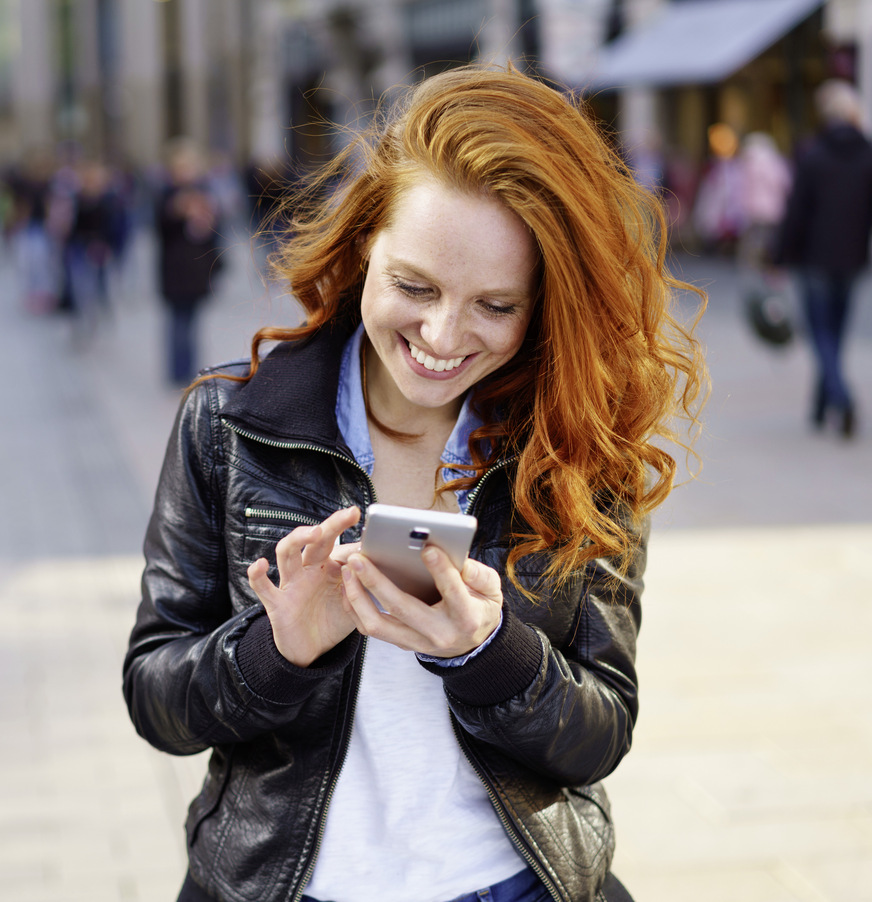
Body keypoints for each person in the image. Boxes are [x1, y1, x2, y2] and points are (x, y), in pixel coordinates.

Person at [122, 64, 707, 902]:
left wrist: (488, 653)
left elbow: (600, 731)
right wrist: (277, 649)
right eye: (413, 286)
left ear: (543, 303)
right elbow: (155, 694)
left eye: (495, 307)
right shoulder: (228, 424)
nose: (441, 335)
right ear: (366, 246)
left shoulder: (580, 445)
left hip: (513, 884)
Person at [776, 79, 872, 438]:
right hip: (852, 259)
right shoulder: (867, 155)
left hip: (814, 259)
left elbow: (796, 212)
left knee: (822, 336)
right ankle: (821, 406)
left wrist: (779, 255)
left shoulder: (812, 154)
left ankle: (841, 398)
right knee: (835, 336)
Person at [155, 138, 222, 386]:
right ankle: (177, 372)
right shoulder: (165, 195)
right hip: (174, 271)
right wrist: (176, 211)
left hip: (197, 269)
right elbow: (159, 229)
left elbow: (214, 234)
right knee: (177, 322)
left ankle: (190, 369)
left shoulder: (205, 192)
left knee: (193, 323)